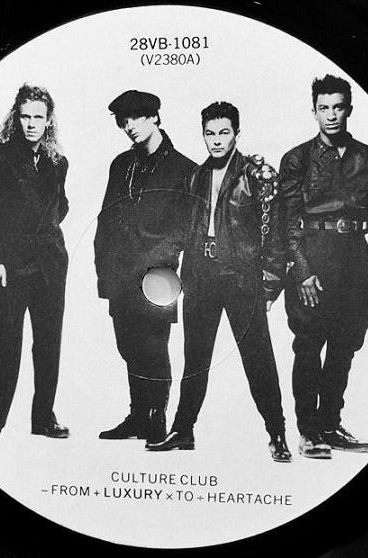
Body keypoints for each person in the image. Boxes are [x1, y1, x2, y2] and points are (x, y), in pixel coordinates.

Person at [148, 102, 291, 462]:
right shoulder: (196, 176)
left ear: (236, 134)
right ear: (203, 135)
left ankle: (277, 433)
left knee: (258, 358)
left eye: (223, 132)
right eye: (210, 133)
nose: (216, 140)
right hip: (201, 275)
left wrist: (270, 284)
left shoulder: (256, 174)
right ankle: (183, 430)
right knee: (195, 359)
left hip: (241, 278)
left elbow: (275, 233)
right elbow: (184, 228)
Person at [279, 75, 368, 459]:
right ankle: (309, 432)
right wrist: (302, 270)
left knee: (345, 344)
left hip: (355, 259)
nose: (331, 115)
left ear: (349, 109)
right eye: (323, 108)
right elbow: (287, 220)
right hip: (313, 258)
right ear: (314, 111)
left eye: (338, 107)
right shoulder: (297, 159)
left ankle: (330, 424)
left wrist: (351, 229)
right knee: (309, 345)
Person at [0, 84, 70, 448]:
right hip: (12, 265)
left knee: (49, 344)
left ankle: (44, 418)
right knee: (5, 343)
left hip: (51, 265)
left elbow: (61, 206)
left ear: (48, 120)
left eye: (38, 117)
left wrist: (46, 234)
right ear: (16, 118)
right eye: (25, 116)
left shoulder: (58, 162)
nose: (31, 124)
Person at [94, 90, 196, 445]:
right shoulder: (121, 164)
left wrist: (153, 263)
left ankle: (156, 417)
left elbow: (184, 231)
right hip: (120, 274)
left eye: (136, 118)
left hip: (158, 276)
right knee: (128, 347)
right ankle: (138, 416)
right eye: (123, 121)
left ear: (154, 117)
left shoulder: (185, 169)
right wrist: (103, 271)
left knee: (154, 348)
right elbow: (106, 219)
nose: (129, 126)